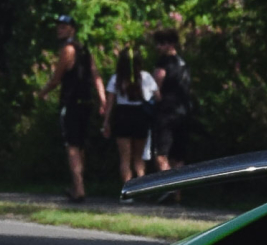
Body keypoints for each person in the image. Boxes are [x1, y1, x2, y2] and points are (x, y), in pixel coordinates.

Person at [41, 37, 99, 201]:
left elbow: (56, 79)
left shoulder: (67, 50)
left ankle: (79, 189)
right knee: (80, 147)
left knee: (72, 146)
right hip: (87, 103)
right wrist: (102, 100)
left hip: (71, 104)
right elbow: (96, 76)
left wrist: (42, 92)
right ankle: (77, 186)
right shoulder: (87, 53)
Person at [105, 49, 154, 186]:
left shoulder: (116, 79)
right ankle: (142, 188)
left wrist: (106, 123)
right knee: (138, 158)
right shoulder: (146, 77)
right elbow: (158, 96)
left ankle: (129, 192)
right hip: (140, 115)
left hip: (122, 116)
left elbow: (109, 104)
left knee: (125, 158)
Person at [148, 33, 192, 172]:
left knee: (161, 155)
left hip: (166, 113)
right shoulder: (183, 63)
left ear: (170, 44)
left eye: (161, 43)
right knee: (178, 156)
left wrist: (155, 97)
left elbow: (155, 85)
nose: (158, 47)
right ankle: (177, 193)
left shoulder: (164, 62)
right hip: (183, 112)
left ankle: (166, 188)